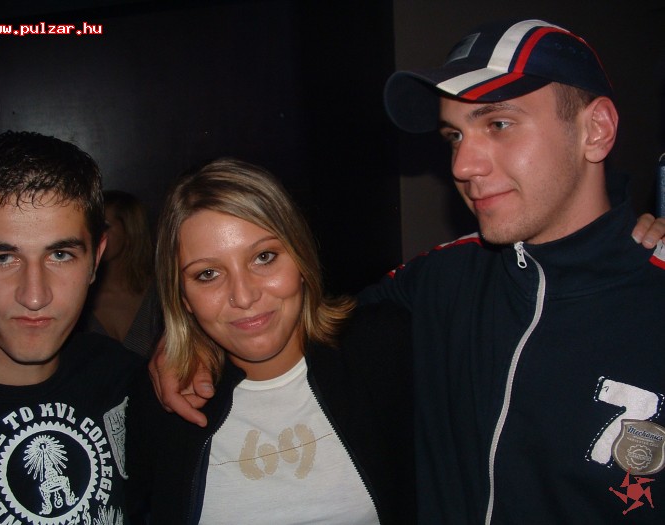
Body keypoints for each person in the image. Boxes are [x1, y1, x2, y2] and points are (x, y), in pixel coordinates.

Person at [152, 18, 665, 524]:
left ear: (596, 130)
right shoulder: (442, 279)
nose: (462, 165)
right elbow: (304, 322)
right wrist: (186, 344)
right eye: (454, 136)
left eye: (498, 124)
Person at [125, 158, 415, 524]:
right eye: (208, 274)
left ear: (301, 257)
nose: (243, 296)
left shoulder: (385, 350)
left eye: (264, 257)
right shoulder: (161, 403)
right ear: (183, 297)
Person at [0, 131, 142, 524]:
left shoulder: (123, 375)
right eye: (2, 258)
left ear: (96, 259)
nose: (34, 296)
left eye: (60, 255)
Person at [79, 190, 159, 358]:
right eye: (92, 226)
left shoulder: (160, 295)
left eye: (104, 226)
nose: (95, 234)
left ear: (130, 229)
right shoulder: (79, 295)